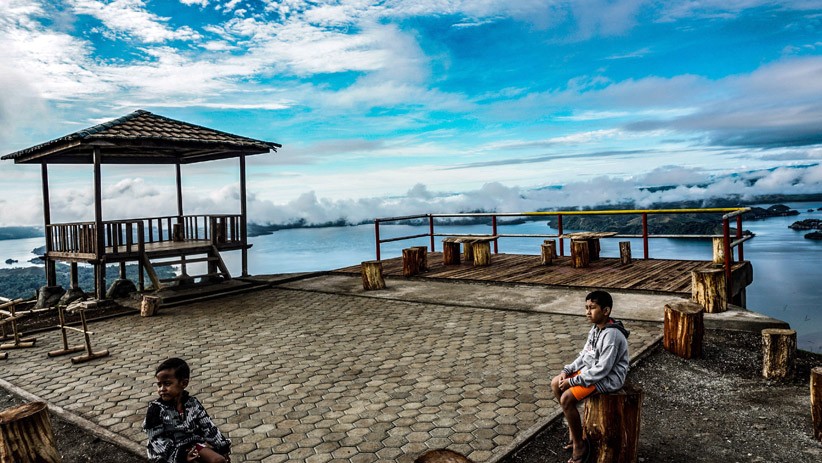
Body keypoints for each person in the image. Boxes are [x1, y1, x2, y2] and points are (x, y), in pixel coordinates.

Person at [550, 290, 630, 463]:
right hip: (593, 372)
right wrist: (567, 371)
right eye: (586, 308)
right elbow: (585, 356)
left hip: (608, 378)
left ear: (606, 311)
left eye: (592, 308)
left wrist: (573, 381)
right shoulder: (595, 329)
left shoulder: (612, 335)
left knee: (566, 398)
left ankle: (580, 445)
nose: (587, 312)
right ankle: (575, 432)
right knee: (556, 383)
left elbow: (603, 369)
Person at [143, 358, 231, 463]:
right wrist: (181, 456)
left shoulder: (192, 403)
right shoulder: (156, 410)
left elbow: (208, 426)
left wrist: (222, 447)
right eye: (159, 385)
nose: (162, 389)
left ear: (183, 383)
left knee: (219, 460)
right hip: (165, 454)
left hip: (191, 445)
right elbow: (157, 440)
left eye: (167, 384)